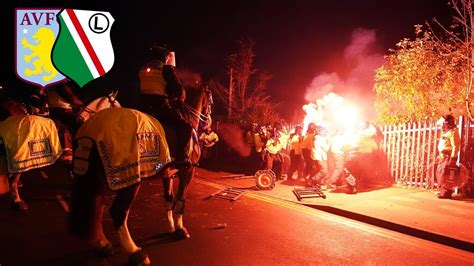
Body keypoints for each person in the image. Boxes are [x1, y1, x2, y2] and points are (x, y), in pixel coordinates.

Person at [138, 44, 193, 166]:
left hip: (142, 107)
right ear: (163, 57)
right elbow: (178, 91)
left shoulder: (142, 69)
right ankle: (181, 158)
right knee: (186, 127)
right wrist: (177, 96)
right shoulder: (166, 69)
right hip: (160, 108)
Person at [436, 115, 461, 199]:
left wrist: (453, 158)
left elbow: (455, 146)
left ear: (447, 123)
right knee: (442, 173)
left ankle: (446, 193)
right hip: (444, 156)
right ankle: (443, 191)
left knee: (446, 174)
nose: (443, 125)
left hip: (449, 156)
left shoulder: (453, 132)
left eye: (444, 123)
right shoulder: (447, 132)